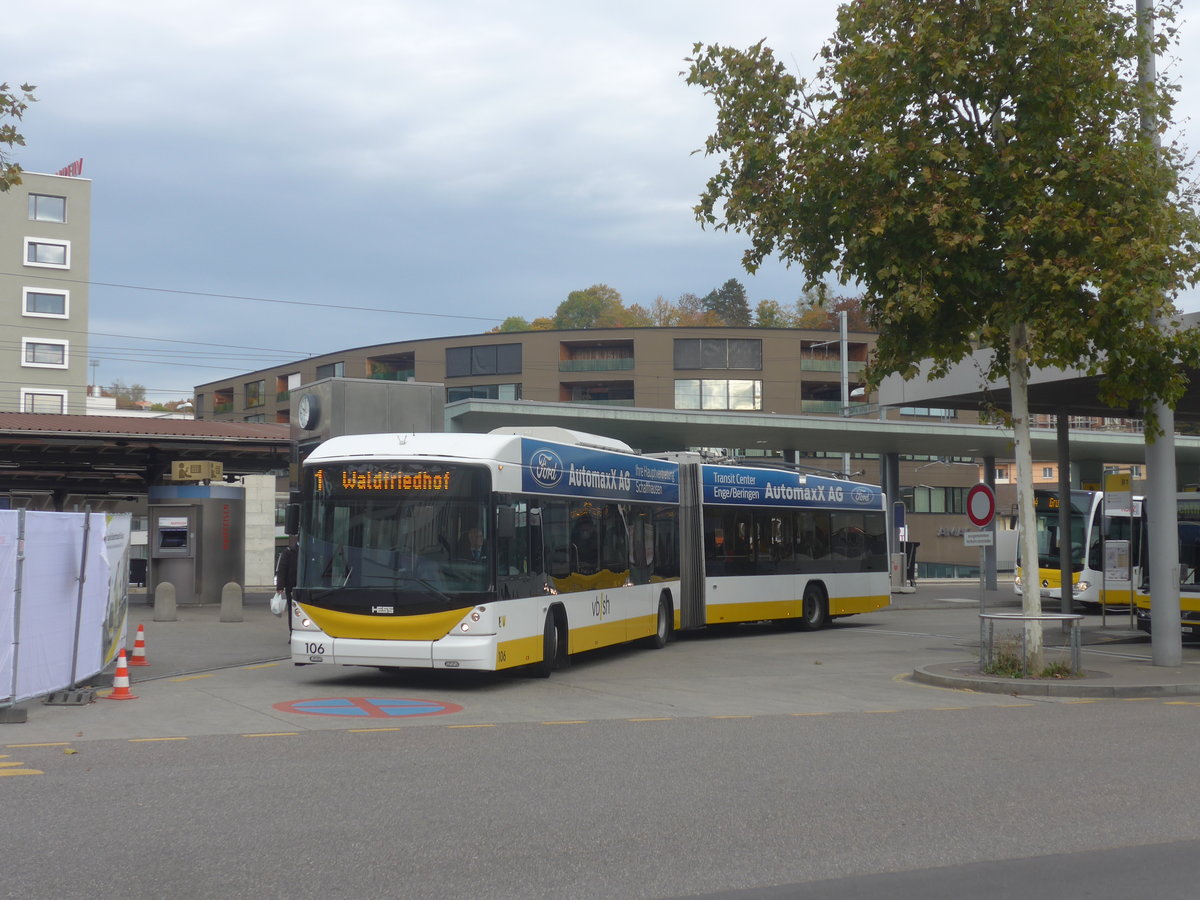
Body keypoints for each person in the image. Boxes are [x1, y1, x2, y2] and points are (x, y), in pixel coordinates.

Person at [275, 539, 298, 632]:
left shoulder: (310, 550)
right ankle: (292, 632)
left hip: (304, 586)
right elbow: (282, 568)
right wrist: (280, 586)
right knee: (292, 610)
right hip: (291, 586)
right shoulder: (289, 551)